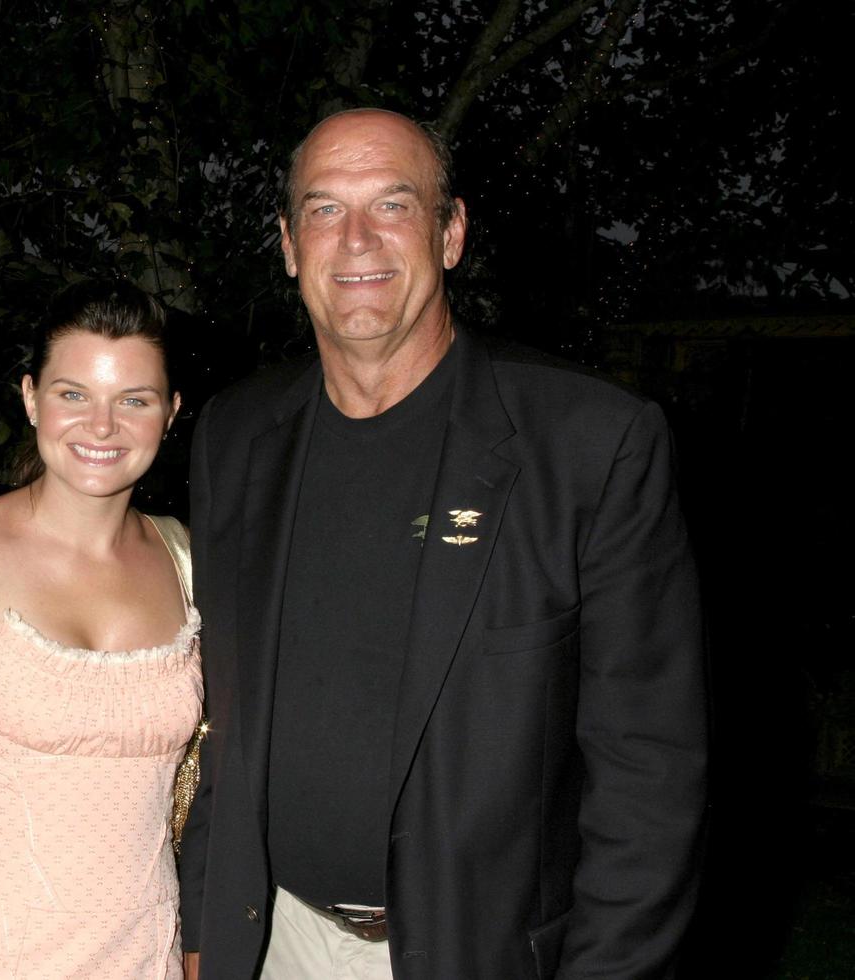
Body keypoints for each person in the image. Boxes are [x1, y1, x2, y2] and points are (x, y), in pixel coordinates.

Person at [179, 109, 707, 979]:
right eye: (321, 210)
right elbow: (221, 720)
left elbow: (650, 777)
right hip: (272, 939)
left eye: (392, 204)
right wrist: (205, 927)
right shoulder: (236, 436)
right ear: (286, 245)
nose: (355, 240)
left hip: (476, 953)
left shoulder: (589, 443)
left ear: (450, 231)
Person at [0, 280, 202, 979]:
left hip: (144, 953)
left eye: (134, 400)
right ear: (32, 397)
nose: (103, 427)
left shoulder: (186, 558)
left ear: (171, 412)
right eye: (74, 394)